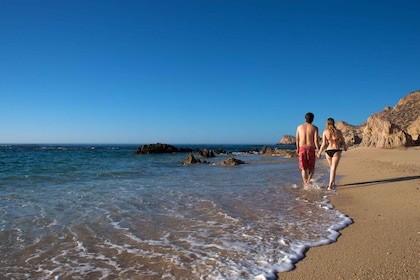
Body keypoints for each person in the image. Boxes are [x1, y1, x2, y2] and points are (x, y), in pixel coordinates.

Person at [317, 118, 347, 190]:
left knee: (332, 168)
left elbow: (324, 144)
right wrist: (345, 147)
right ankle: (330, 185)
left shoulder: (325, 132)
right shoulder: (338, 132)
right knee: (333, 169)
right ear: (334, 123)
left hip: (328, 151)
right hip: (336, 150)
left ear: (327, 124)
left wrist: (319, 152)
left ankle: (332, 183)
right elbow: (343, 141)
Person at [296, 112, 320, 186]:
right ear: (312, 119)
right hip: (310, 148)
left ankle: (305, 183)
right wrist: (318, 150)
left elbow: (297, 139)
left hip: (302, 148)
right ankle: (309, 180)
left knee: (304, 168)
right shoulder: (315, 128)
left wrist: (297, 148)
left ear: (305, 118)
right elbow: (316, 140)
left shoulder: (299, 127)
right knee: (311, 167)